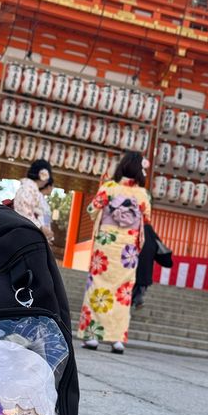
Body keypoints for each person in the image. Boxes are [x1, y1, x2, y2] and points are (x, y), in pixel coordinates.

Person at [78, 151, 151, 354]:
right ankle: (117, 339)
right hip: (127, 249)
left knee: (98, 287)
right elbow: (148, 218)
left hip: (105, 245)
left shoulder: (109, 187)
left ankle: (92, 336)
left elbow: (92, 209)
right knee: (123, 292)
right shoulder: (142, 194)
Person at [131, 223, 173, 309]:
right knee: (139, 289)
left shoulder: (134, 232)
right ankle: (138, 300)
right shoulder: (152, 236)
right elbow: (161, 251)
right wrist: (168, 261)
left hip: (131, 269)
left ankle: (134, 302)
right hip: (145, 273)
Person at [13, 159, 54, 243]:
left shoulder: (32, 190)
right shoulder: (27, 189)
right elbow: (23, 213)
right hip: (25, 234)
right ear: (44, 175)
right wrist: (41, 227)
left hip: (30, 233)